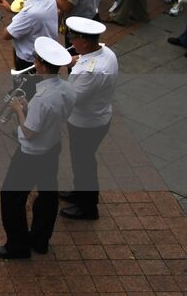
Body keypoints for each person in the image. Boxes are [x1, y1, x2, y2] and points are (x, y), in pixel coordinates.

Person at [0, 36, 73, 260]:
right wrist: (29, 108)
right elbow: (58, 115)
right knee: (48, 194)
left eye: (36, 60)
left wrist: (19, 109)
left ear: (41, 64)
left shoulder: (42, 98)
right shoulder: (66, 89)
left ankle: (17, 246)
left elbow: (29, 132)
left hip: (32, 154)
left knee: (11, 197)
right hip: (52, 147)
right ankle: (40, 240)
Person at [61, 16, 118, 221]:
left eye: (73, 38)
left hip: (86, 123)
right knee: (83, 161)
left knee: (83, 163)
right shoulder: (105, 53)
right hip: (97, 118)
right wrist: (76, 60)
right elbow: (87, 62)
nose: (71, 42)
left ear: (84, 42)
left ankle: (87, 207)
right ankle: (80, 194)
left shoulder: (89, 72)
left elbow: (72, 99)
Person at [0, 0, 59, 71]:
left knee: (26, 87)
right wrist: (10, 9)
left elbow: (6, 34)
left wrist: (16, 17)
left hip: (30, 60)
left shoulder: (29, 14)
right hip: (47, 53)